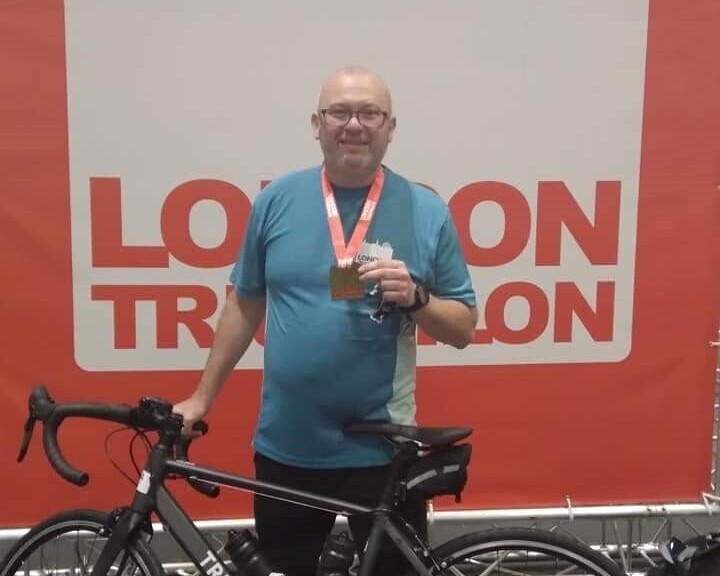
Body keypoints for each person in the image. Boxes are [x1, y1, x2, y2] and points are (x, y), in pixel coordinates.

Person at [173, 66, 478, 576]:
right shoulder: (275, 201)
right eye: (339, 112)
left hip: (381, 450)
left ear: (390, 127)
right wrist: (202, 397)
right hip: (288, 446)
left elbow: (464, 328)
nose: (354, 124)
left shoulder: (427, 211)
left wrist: (418, 299)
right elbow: (244, 304)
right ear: (317, 123)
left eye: (369, 113)